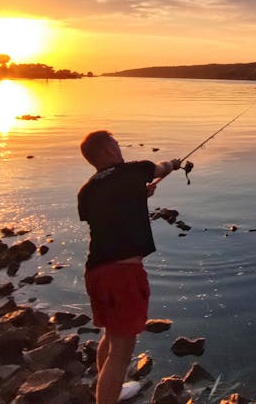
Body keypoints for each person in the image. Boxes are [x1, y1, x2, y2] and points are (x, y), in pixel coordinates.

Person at [78, 130, 183, 404]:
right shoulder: (132, 171)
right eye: (115, 145)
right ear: (108, 152)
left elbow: (109, 214)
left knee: (110, 336)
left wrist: (138, 196)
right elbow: (161, 167)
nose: (119, 148)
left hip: (95, 273)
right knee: (122, 351)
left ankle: (106, 388)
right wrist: (173, 164)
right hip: (122, 275)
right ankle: (107, 396)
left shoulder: (87, 190)